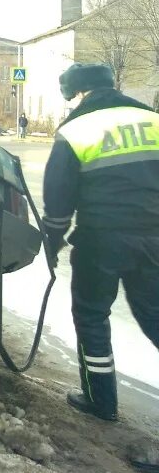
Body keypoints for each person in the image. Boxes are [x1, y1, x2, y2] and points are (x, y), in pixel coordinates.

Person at [42, 63, 159, 424]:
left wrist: (52, 240)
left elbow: (58, 199)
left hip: (101, 241)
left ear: (77, 93)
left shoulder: (75, 129)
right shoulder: (153, 121)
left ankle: (101, 401)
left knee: (92, 317)